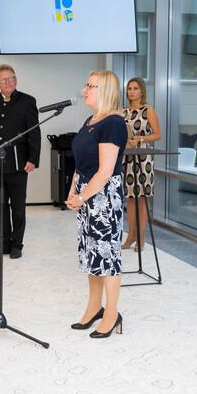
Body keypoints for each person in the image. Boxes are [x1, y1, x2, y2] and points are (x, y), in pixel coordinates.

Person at [65, 70, 128, 339]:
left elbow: (104, 172)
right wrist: (73, 191)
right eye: (86, 84)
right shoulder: (90, 120)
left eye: (90, 85)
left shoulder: (113, 123)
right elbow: (81, 163)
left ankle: (112, 314)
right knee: (91, 255)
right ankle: (94, 308)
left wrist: (83, 196)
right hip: (86, 192)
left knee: (107, 256)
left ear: (105, 90)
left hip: (103, 197)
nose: (84, 90)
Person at [0, 64, 40, 260]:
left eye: (11, 78)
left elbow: (34, 132)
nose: (8, 82)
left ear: (15, 80)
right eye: (4, 80)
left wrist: (33, 159)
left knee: (18, 207)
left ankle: (17, 245)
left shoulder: (28, 101)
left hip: (18, 162)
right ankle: (3, 244)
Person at [121, 77, 161, 252]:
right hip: (127, 157)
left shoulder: (148, 110)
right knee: (130, 198)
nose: (131, 91)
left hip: (143, 158)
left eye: (135, 88)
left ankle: (141, 237)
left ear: (142, 91)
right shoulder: (123, 112)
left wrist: (140, 139)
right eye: (129, 88)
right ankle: (131, 235)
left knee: (142, 197)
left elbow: (157, 135)